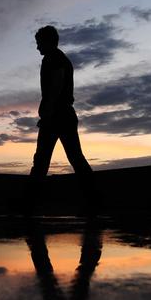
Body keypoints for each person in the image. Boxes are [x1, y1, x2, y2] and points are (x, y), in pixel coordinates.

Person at [23, 25, 97, 216]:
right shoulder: (59, 58)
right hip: (64, 115)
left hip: (57, 116)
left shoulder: (53, 58)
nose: (37, 47)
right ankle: (94, 198)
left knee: (41, 160)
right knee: (74, 158)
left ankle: (29, 204)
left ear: (48, 42)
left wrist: (47, 113)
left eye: (39, 43)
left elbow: (56, 85)